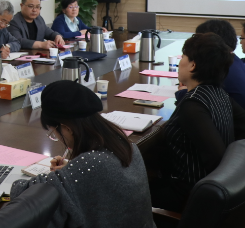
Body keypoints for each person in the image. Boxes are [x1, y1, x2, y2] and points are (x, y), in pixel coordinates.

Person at [10, 80, 155, 228]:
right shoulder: (127, 146)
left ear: (67, 129)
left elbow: (23, 193)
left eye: (54, 133)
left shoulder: (90, 166)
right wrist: (71, 171)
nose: (57, 138)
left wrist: (69, 174)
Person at [150, 33, 243, 212]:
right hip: (206, 189)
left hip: (190, 195)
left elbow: (216, 157)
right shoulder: (219, 93)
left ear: (193, 65)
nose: (180, 62)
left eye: (183, 57)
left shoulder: (192, 106)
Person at [172, 19, 245, 136]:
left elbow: (201, 101)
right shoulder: (232, 61)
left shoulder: (220, 70)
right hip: (244, 135)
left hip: (241, 139)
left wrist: (183, 92)